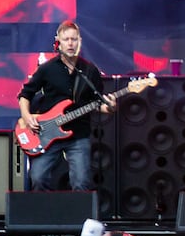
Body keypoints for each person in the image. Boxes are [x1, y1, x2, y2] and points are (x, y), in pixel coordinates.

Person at [17, 21, 114, 191]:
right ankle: (44, 216)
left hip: (78, 135)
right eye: (66, 39)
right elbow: (25, 95)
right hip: (46, 133)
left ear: (80, 42)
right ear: (58, 42)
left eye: (74, 39)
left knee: (81, 182)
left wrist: (111, 107)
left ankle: (80, 218)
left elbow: (98, 104)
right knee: (38, 178)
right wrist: (26, 116)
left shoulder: (90, 71)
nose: (70, 43)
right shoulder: (47, 69)